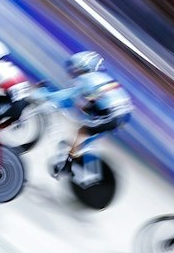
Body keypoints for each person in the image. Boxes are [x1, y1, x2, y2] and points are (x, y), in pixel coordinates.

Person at [41, 52, 133, 182]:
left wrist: (47, 93)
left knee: (82, 131)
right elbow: (84, 104)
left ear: (84, 67)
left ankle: (68, 164)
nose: (73, 71)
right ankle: (82, 153)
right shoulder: (101, 77)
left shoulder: (86, 78)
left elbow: (68, 95)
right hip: (123, 115)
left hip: (113, 114)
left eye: (75, 68)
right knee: (85, 116)